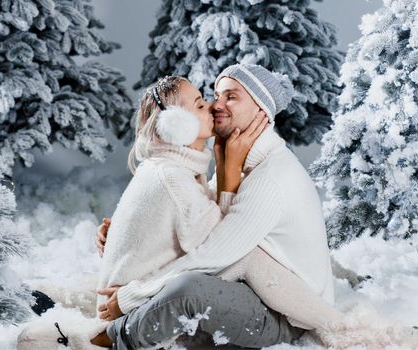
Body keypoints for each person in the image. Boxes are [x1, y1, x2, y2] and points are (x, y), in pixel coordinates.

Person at [93, 64, 418, 350]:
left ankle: (110, 339)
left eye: (231, 97)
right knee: (186, 285)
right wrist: (134, 232)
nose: (217, 105)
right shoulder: (237, 158)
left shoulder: (271, 177)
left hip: (285, 312)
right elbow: (199, 223)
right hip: (250, 289)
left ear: (261, 109)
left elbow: (215, 255)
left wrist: (133, 295)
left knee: (190, 287)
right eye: (216, 95)